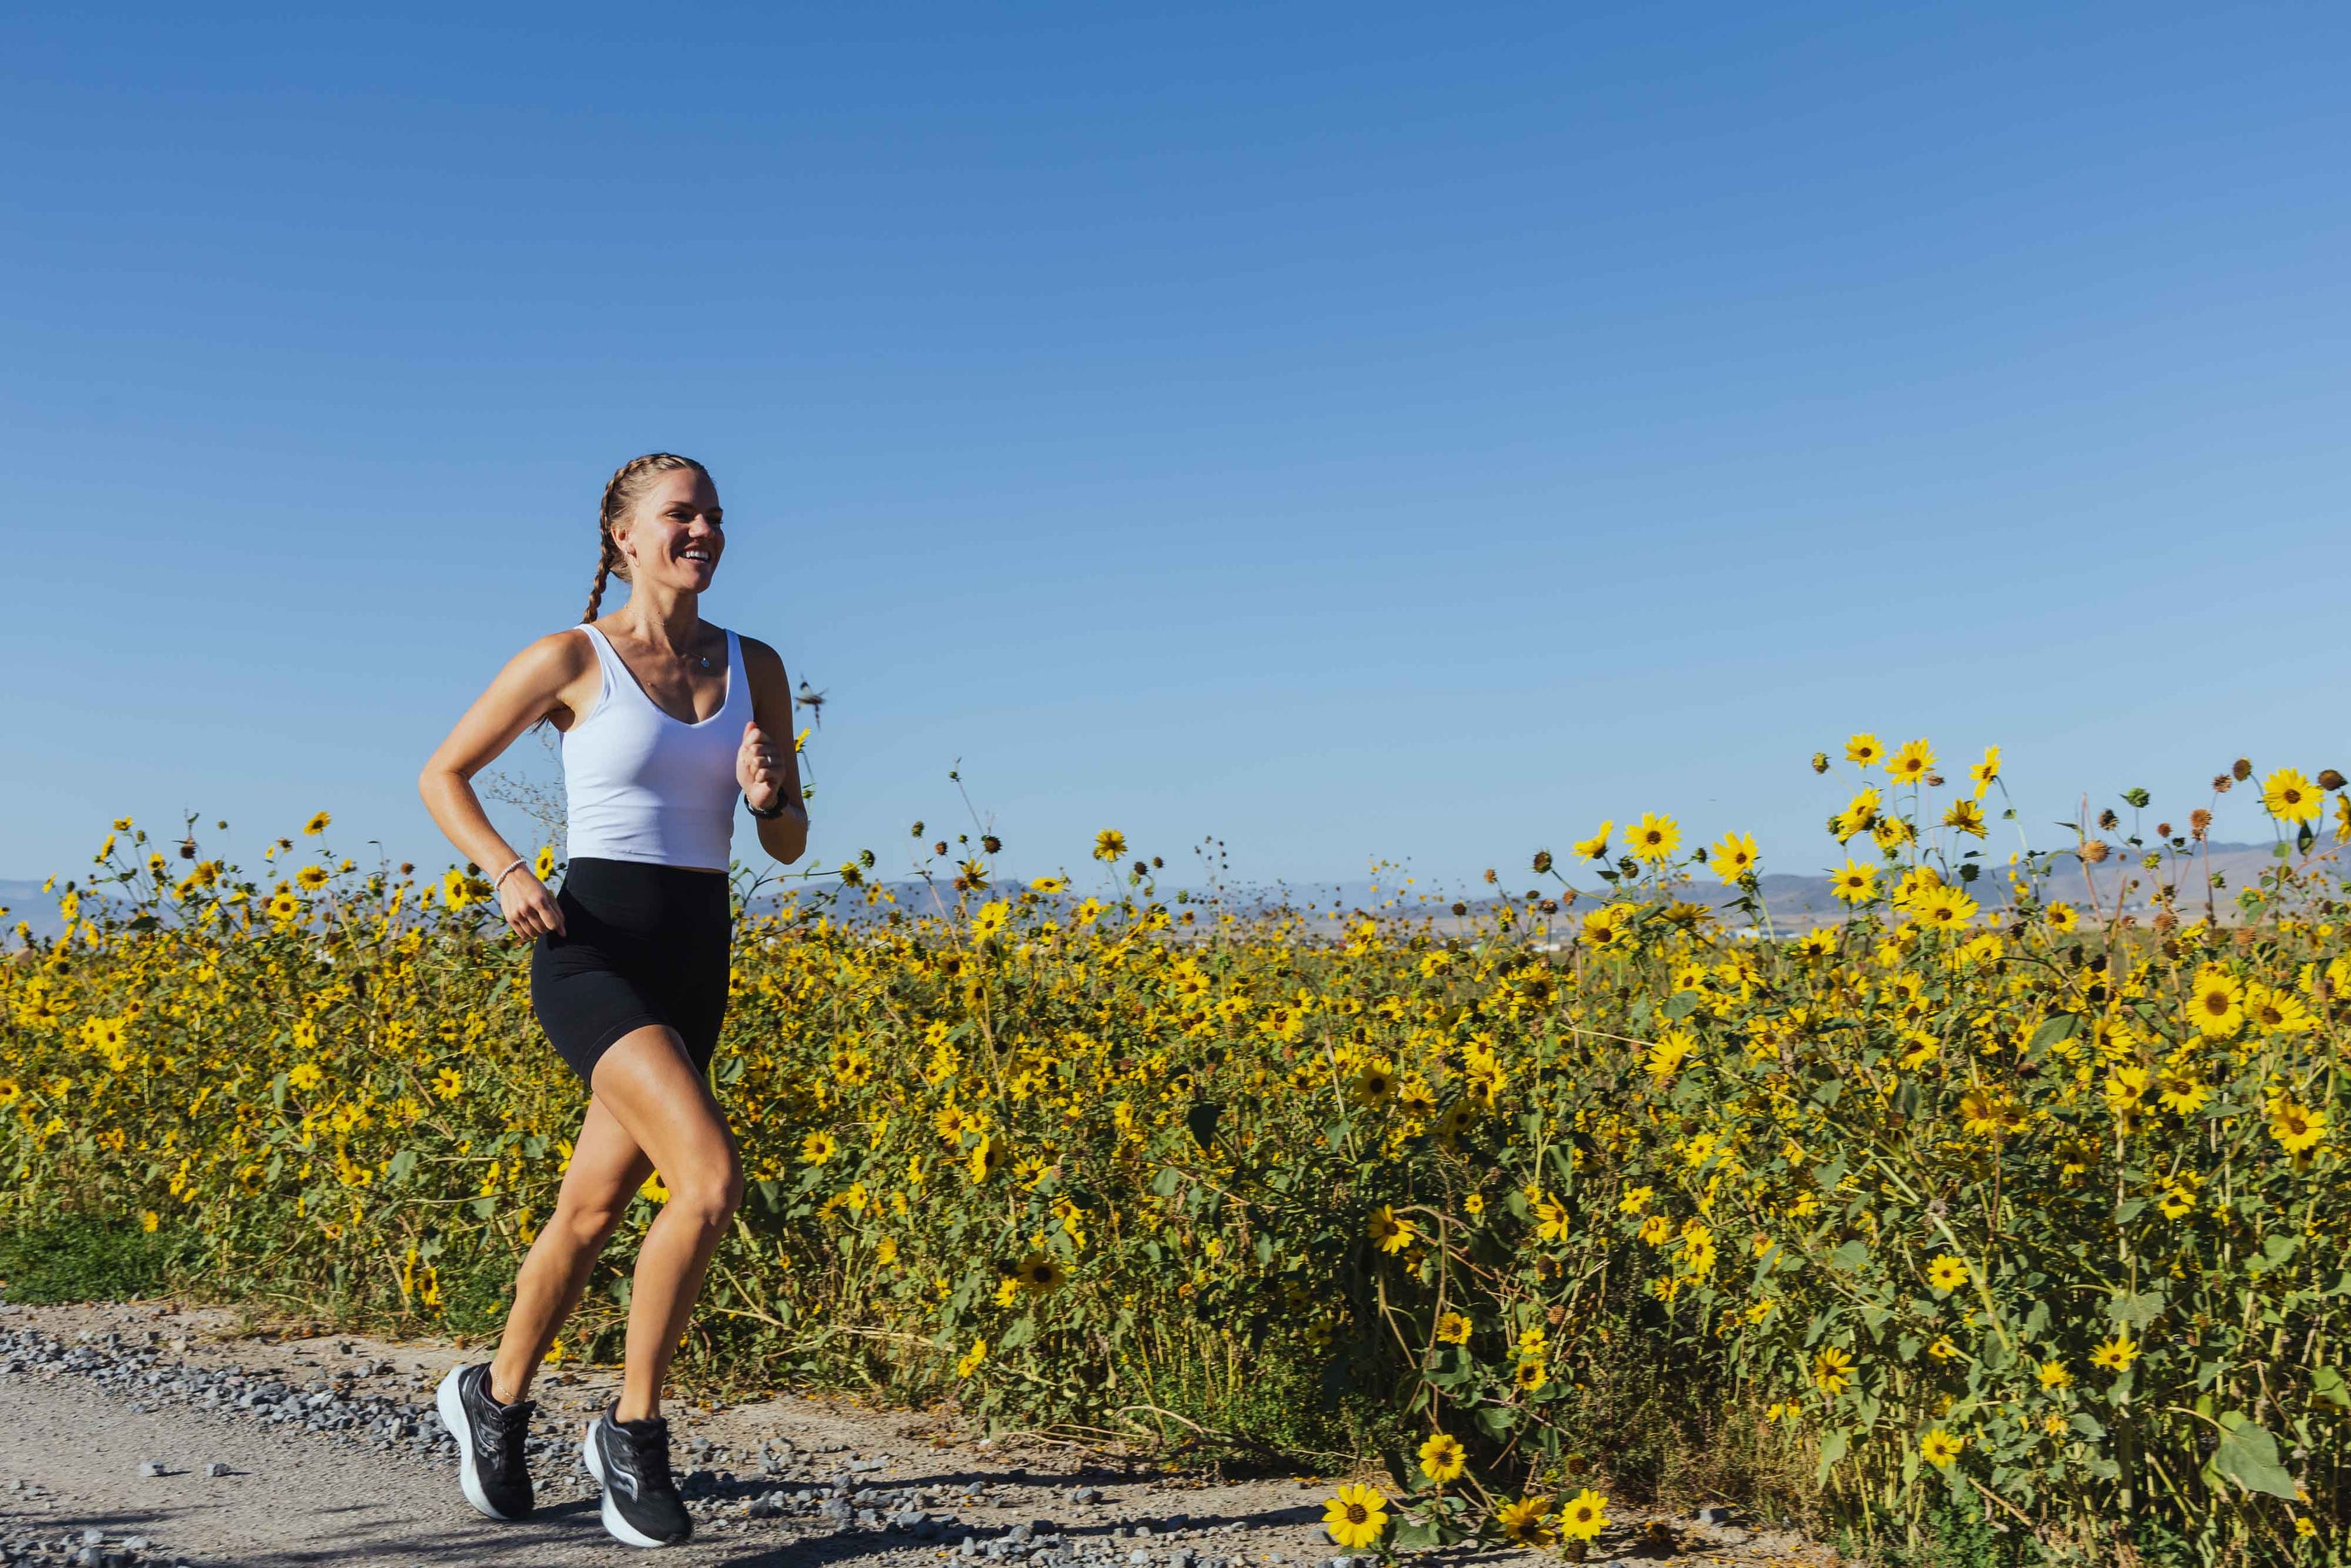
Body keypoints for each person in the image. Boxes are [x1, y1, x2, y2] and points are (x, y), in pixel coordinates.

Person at [415, 453, 808, 1548]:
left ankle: (492, 1398)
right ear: (625, 537)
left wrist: (767, 797)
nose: (704, 530)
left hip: (695, 961)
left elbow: (787, 840)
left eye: (714, 514)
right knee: (709, 1181)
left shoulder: (756, 664)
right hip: (588, 953)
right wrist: (506, 870)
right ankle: (631, 1433)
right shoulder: (571, 658)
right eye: (681, 514)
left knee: (589, 1214)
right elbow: (443, 774)